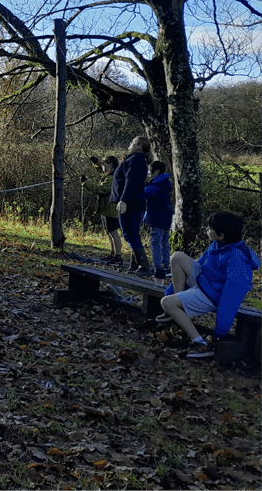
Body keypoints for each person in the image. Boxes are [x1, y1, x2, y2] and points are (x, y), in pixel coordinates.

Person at [157, 211, 259, 359]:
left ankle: (200, 343)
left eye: (210, 228)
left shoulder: (237, 257)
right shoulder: (217, 244)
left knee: (167, 303)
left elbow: (232, 294)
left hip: (214, 295)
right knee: (177, 257)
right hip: (205, 282)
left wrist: (220, 330)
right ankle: (178, 305)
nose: (207, 230)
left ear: (221, 235)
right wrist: (171, 291)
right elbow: (199, 265)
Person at [109, 136, 152, 276]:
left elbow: (131, 182)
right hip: (133, 202)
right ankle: (134, 265)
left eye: (133, 142)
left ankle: (144, 266)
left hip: (131, 203)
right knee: (131, 233)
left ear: (139, 146)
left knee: (130, 234)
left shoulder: (135, 160)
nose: (130, 144)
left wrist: (124, 200)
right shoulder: (135, 160)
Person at [81, 155, 123, 264]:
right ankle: (112, 253)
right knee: (108, 232)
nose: (102, 166)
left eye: (105, 164)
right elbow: (101, 170)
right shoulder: (108, 175)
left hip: (111, 210)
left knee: (113, 233)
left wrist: (86, 182)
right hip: (106, 209)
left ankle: (118, 257)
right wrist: (97, 162)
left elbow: (100, 189)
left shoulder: (111, 178)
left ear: (111, 166)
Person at [144, 160, 173, 280]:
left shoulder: (157, 185)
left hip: (157, 217)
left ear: (156, 171)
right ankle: (166, 266)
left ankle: (157, 267)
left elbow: (145, 192)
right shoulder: (165, 183)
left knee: (155, 242)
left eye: (150, 171)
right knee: (165, 242)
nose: (149, 173)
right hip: (166, 217)